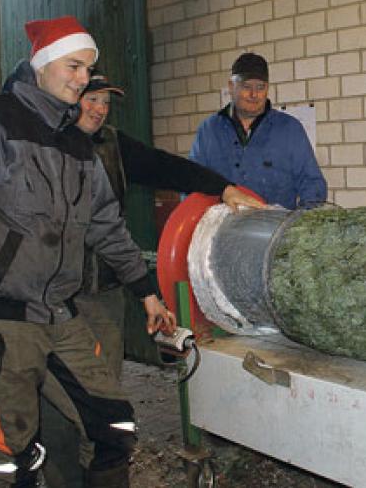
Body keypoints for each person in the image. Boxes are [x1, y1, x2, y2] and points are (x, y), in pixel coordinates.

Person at [0, 16, 176, 488]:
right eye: (75, 66)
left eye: (89, 70)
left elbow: (107, 226)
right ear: (42, 65)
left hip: (60, 314)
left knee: (114, 424)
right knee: (12, 449)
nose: (83, 79)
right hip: (4, 316)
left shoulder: (78, 147)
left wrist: (146, 292)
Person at [39, 73, 264, 486]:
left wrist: (223, 188)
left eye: (106, 101)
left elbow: (167, 167)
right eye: (92, 98)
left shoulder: (112, 145)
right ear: (71, 97)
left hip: (102, 296)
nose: (99, 108)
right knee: (54, 403)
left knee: (102, 399)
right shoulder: (44, 145)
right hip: (53, 301)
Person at [189, 52, 327, 209]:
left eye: (260, 87)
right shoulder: (209, 131)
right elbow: (192, 182)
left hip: (274, 230)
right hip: (223, 230)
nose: (254, 94)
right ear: (231, 86)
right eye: (246, 87)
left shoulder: (290, 129)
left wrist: (303, 225)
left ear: (267, 88)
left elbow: (312, 183)